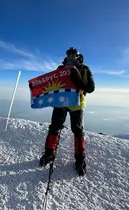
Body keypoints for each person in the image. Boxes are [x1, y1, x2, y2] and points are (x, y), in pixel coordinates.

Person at [38, 47, 95, 176]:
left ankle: (80, 159)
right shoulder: (60, 69)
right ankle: (49, 153)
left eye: (73, 55)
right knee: (54, 128)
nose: (71, 57)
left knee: (78, 131)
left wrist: (79, 83)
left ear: (78, 56)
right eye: (69, 55)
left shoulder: (85, 69)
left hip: (77, 104)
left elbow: (91, 88)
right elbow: (53, 83)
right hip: (61, 103)